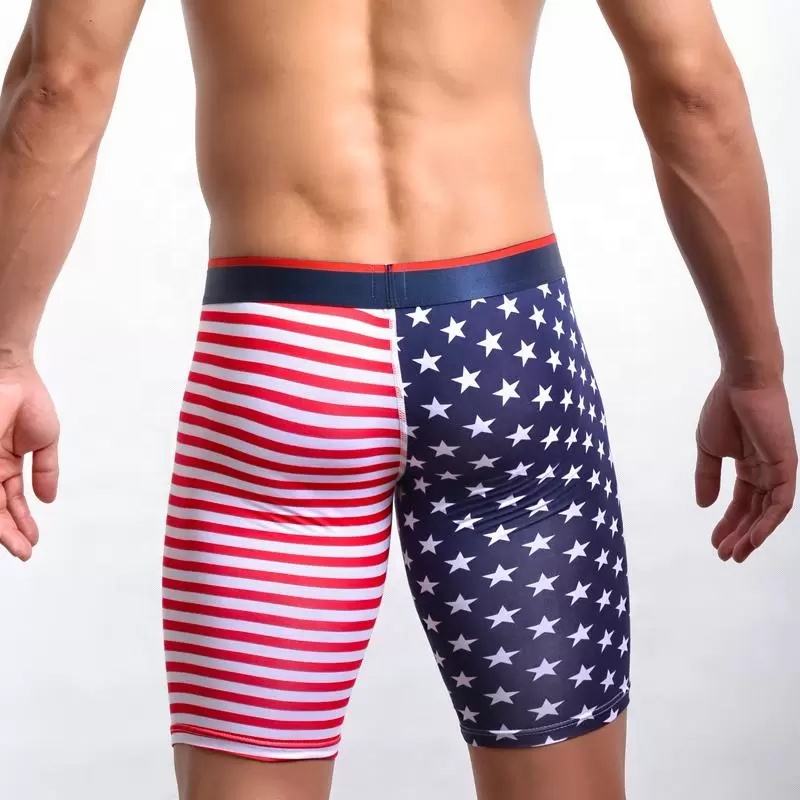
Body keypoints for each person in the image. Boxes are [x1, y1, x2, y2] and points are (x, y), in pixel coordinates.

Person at [0, 1, 795, 798]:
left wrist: (6, 355)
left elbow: (59, 83)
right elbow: (692, 87)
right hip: (506, 348)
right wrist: (754, 369)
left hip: (280, 354)